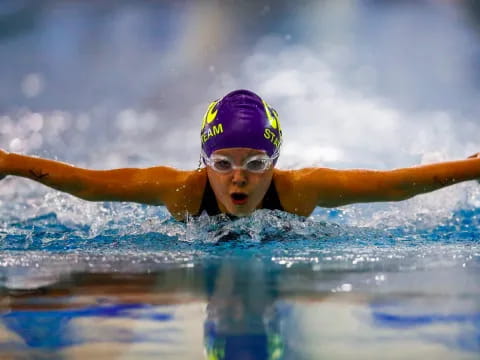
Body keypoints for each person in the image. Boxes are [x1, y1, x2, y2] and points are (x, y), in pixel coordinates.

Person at [0, 89, 479, 221]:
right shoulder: (179, 191)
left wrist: (473, 168)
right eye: (223, 164)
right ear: (203, 162)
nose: (238, 180)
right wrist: (9, 164)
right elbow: (88, 184)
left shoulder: (302, 190)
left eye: (255, 165)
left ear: (274, 164)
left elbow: (397, 185)